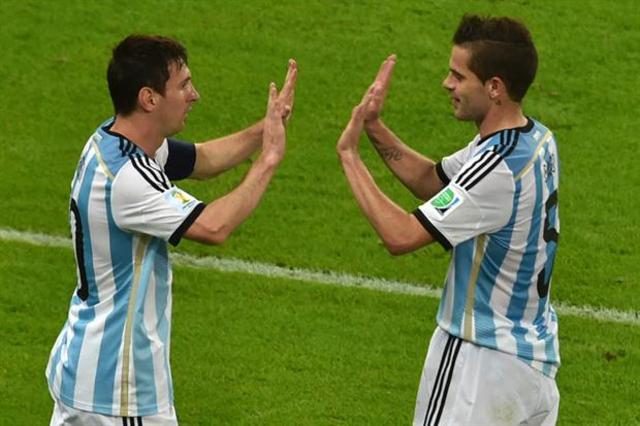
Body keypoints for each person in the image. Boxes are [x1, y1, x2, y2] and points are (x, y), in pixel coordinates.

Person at [46, 35, 297, 425]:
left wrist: (267, 127)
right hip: (119, 391)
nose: (194, 95)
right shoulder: (128, 177)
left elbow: (203, 159)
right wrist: (269, 159)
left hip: (88, 373)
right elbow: (213, 226)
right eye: (183, 85)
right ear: (149, 98)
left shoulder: (112, 140)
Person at [337, 14, 560, 425]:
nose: (446, 83)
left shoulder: (494, 169)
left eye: (458, 76)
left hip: (479, 368)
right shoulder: (535, 140)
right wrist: (374, 126)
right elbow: (432, 180)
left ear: (494, 87)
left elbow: (400, 235)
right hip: (532, 369)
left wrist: (350, 157)